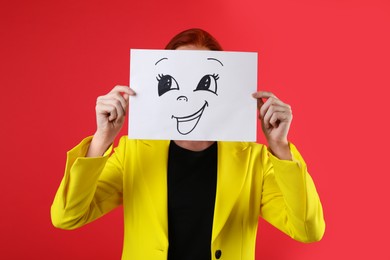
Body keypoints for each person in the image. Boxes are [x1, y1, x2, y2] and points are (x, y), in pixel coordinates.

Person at [51, 28, 325, 260]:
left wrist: (280, 147)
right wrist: (102, 140)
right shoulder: (132, 153)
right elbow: (67, 216)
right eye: (173, 81)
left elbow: (308, 230)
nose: (186, 96)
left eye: (205, 81)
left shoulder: (254, 160)